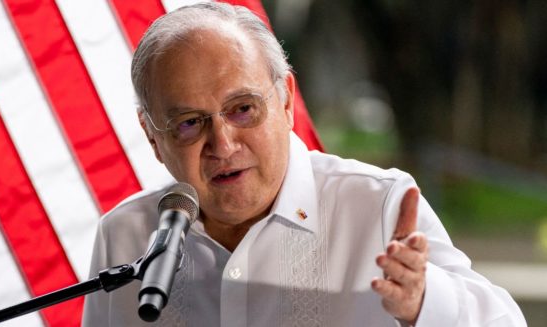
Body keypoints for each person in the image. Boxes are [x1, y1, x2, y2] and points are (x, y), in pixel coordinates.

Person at [82, 2, 526, 326]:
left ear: (287, 100)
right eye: (189, 123)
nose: (222, 142)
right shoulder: (125, 234)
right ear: (152, 137)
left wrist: (425, 301)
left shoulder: (378, 205)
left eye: (243, 109)